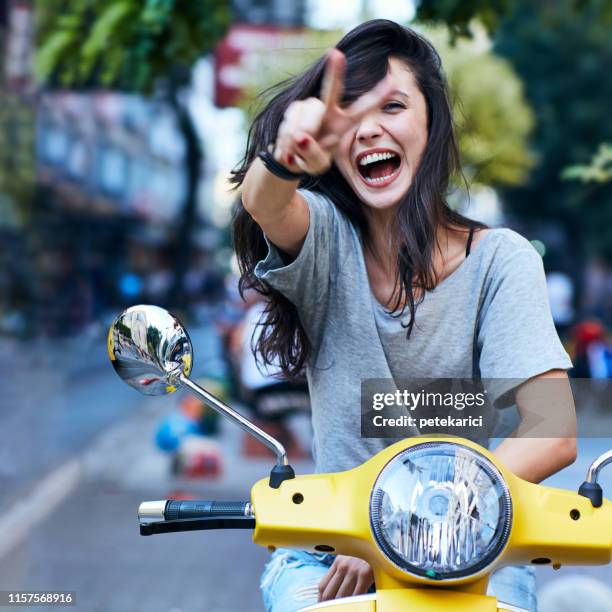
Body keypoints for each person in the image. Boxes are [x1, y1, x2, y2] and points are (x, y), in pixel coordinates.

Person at [231, 19, 576, 612]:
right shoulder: (327, 242)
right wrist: (281, 157)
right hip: (327, 556)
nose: (369, 130)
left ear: (430, 124)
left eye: (392, 105)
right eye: (350, 116)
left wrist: (404, 523)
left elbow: (553, 431)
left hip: (472, 548)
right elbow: (265, 203)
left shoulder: (501, 261)